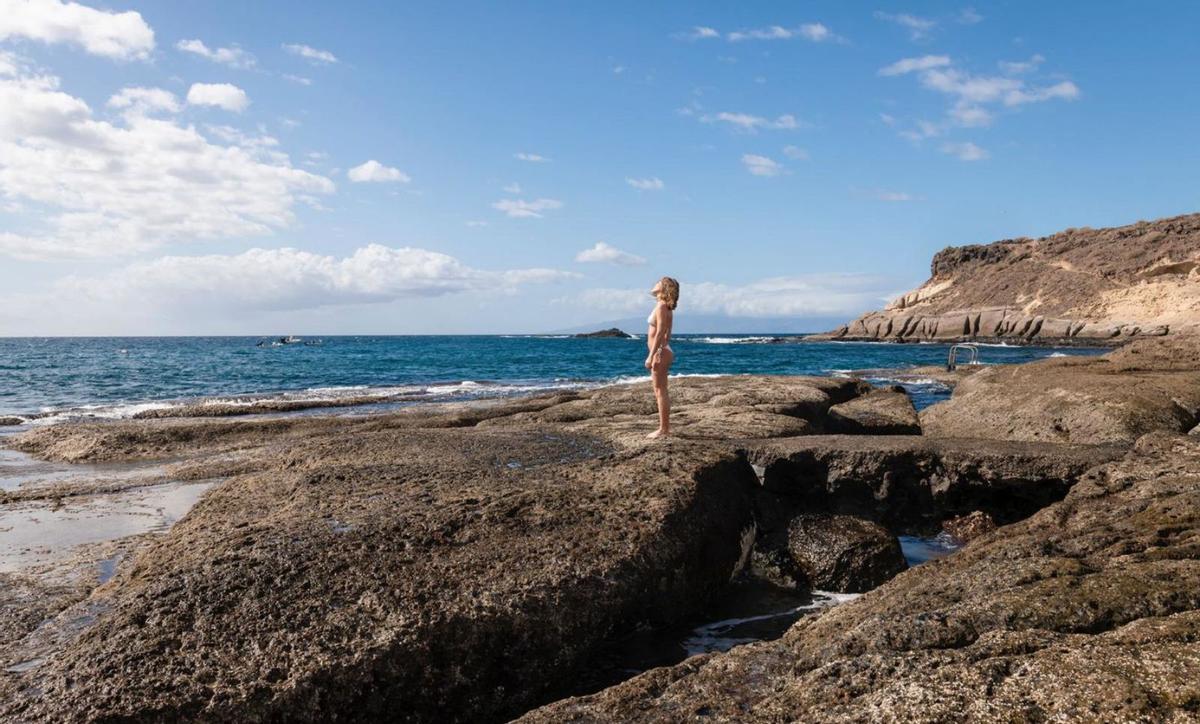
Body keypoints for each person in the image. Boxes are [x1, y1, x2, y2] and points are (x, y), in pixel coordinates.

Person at [644, 276, 679, 439]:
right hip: (664, 350)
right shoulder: (667, 307)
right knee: (660, 390)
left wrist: (652, 355)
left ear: (664, 288)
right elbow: (668, 334)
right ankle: (664, 428)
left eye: (658, 282)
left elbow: (659, 333)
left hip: (660, 352)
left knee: (660, 391)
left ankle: (663, 429)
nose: (654, 283)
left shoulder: (661, 306)